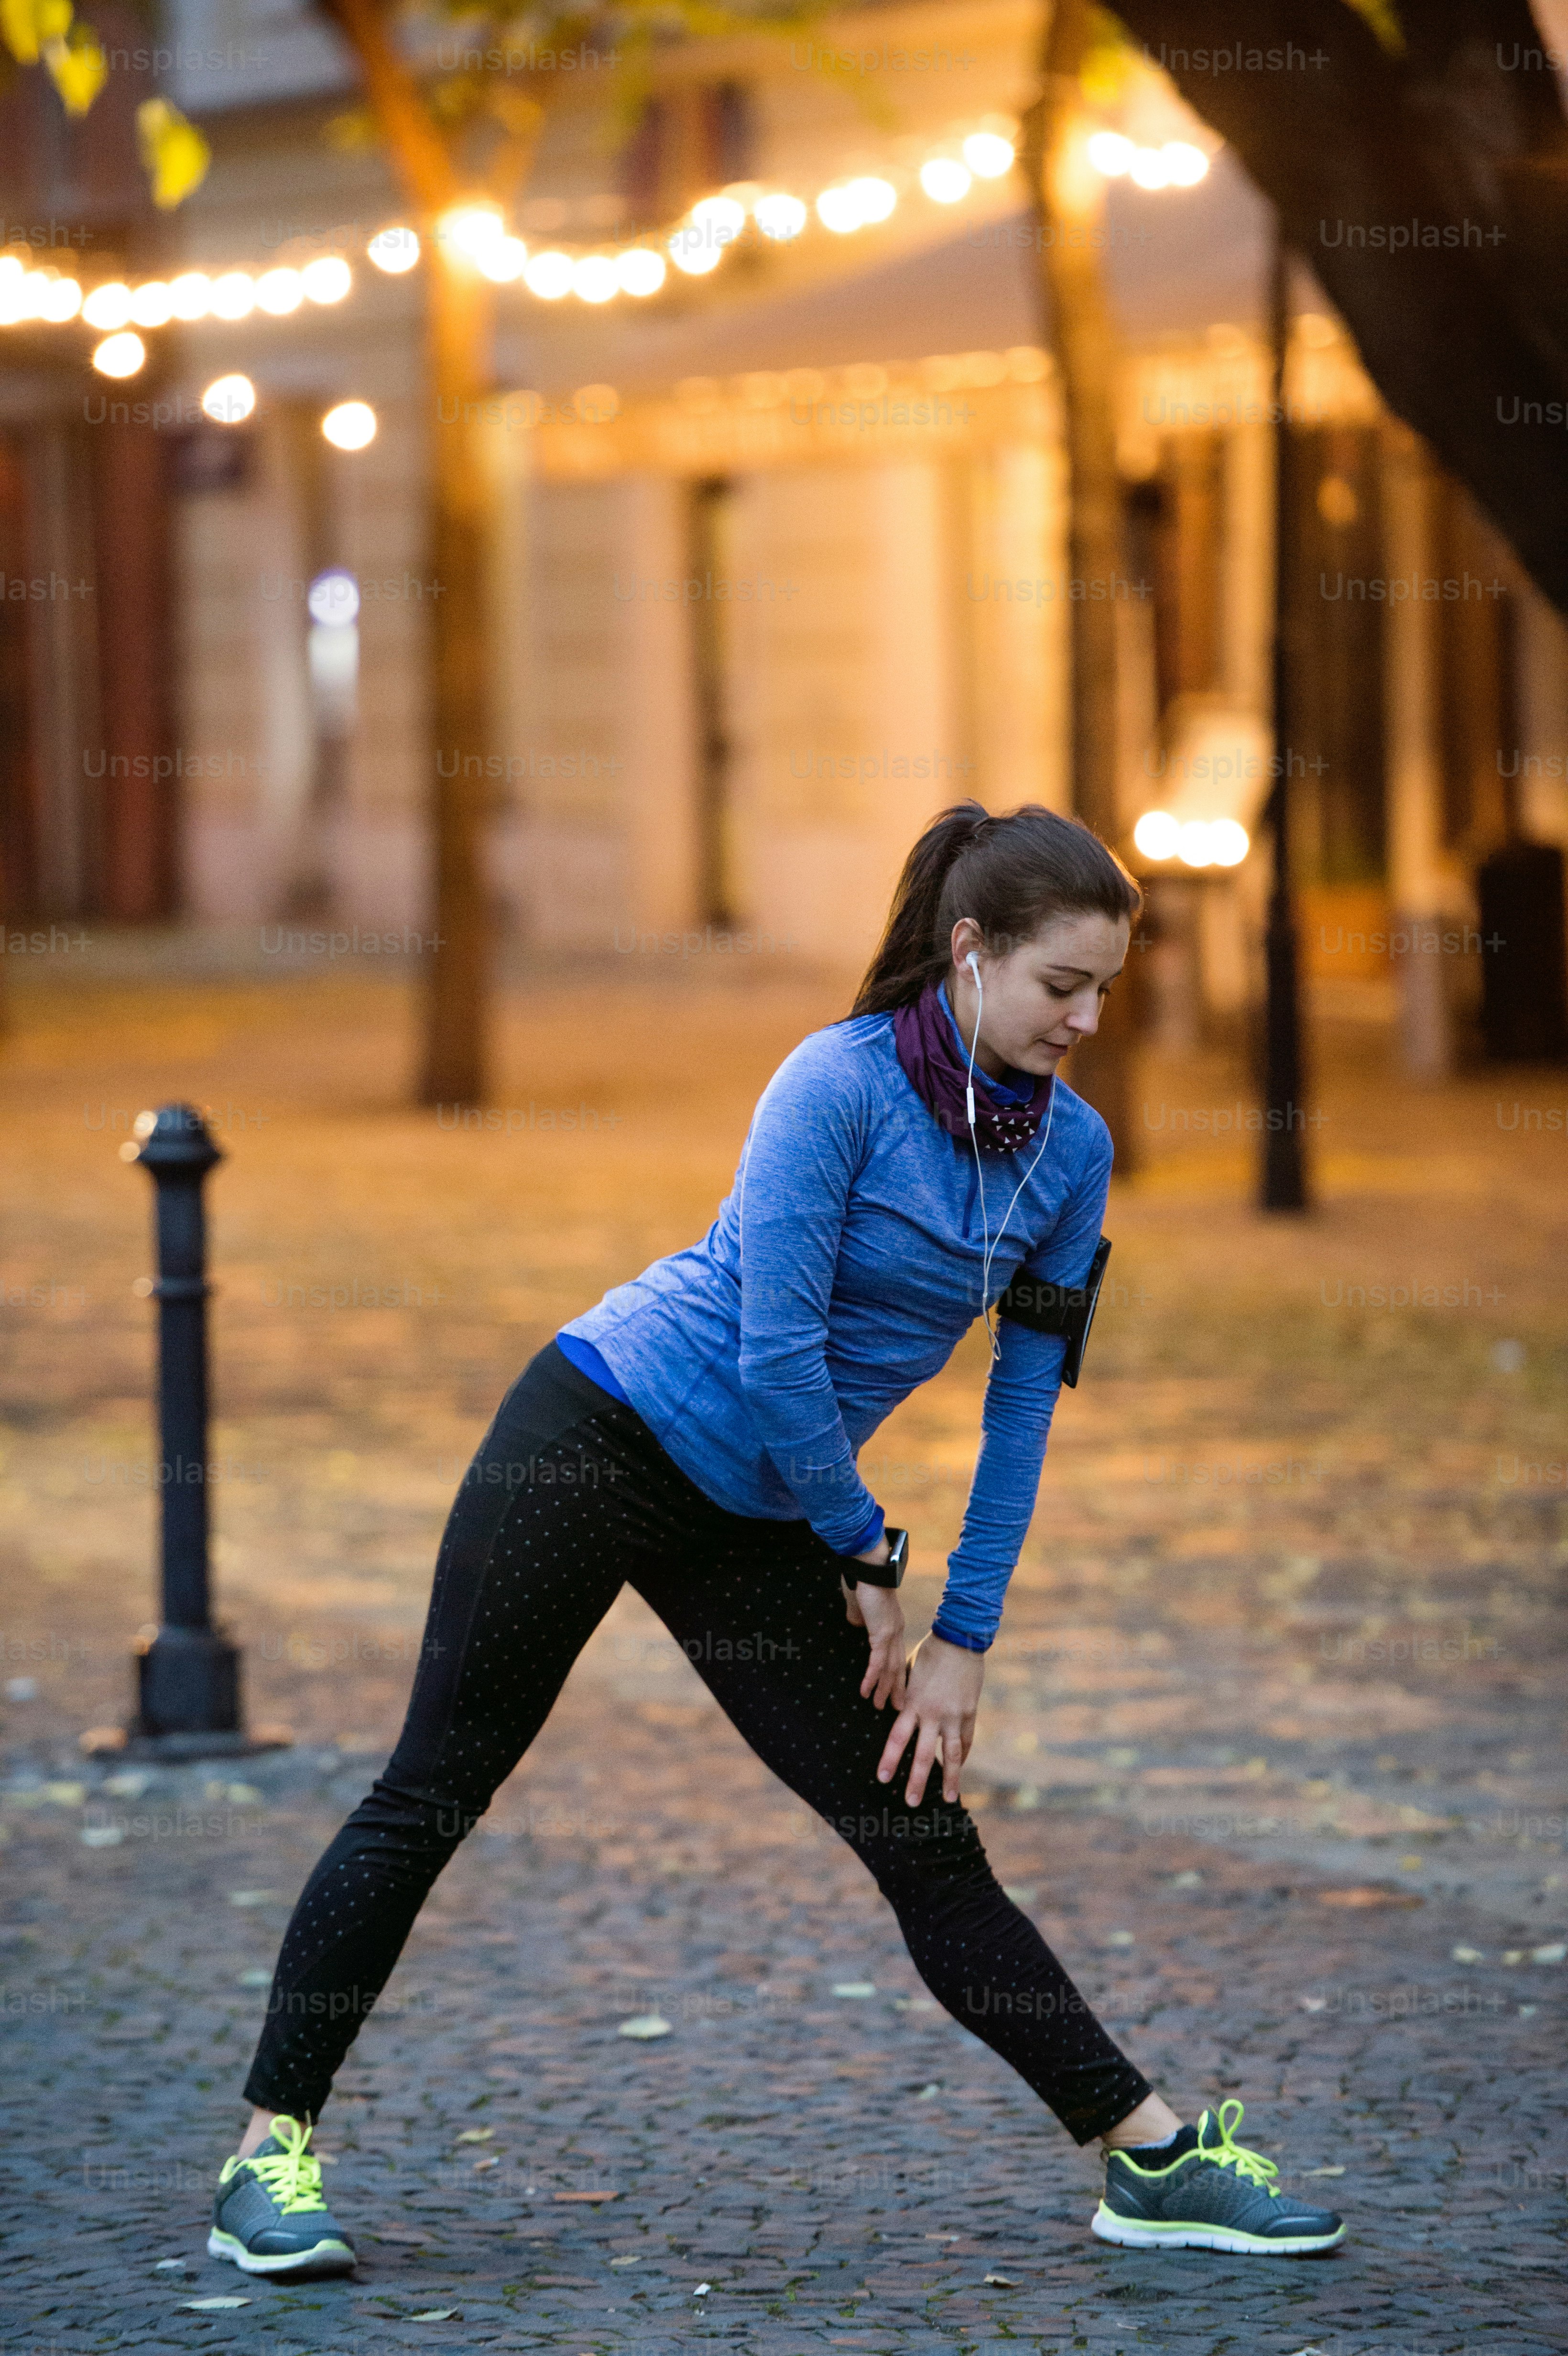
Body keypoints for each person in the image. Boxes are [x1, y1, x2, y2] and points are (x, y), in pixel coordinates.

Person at [208, 801, 1344, 2277]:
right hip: (599, 1436)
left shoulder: (1070, 1160)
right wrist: (868, 1555)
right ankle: (264, 2160)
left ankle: (1149, 2157)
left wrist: (963, 1638)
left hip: (762, 1512)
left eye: (1107, 991)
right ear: (969, 953)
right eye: (1064, 985)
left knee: (919, 1829)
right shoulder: (835, 1087)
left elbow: (1023, 1412)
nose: (1086, 1018)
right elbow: (774, 1353)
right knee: (432, 1790)